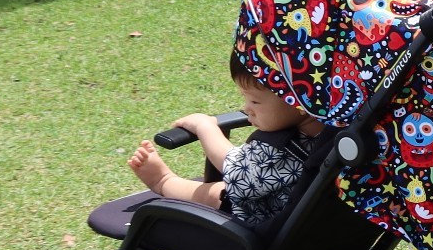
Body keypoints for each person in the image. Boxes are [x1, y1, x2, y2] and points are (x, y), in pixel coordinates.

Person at [127, 61, 324, 230]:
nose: (247, 108)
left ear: (301, 102)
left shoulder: (280, 149)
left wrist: (205, 126)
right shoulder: (336, 134)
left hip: (262, 222)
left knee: (218, 193)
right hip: (314, 226)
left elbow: (234, 167)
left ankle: (163, 181)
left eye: (255, 101)